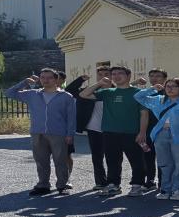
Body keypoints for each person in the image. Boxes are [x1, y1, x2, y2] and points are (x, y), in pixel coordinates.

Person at [5, 68, 77, 196]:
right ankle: (43, 185)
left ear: (56, 79)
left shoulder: (66, 96)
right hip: (37, 133)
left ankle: (62, 185)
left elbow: (71, 117)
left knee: (60, 161)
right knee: (41, 161)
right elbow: (9, 93)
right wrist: (25, 82)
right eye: (43, 77)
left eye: (49, 77)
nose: (45, 80)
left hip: (59, 133)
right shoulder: (32, 94)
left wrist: (70, 134)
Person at [79, 66, 148, 196]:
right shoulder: (107, 92)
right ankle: (113, 185)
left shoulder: (139, 93)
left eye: (120, 73)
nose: (116, 76)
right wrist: (99, 83)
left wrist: (142, 132)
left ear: (128, 76)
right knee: (112, 160)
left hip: (131, 132)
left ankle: (137, 185)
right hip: (109, 132)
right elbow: (83, 94)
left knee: (136, 160)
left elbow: (144, 114)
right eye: (113, 74)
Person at [135, 79, 179, 201]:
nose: (170, 88)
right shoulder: (159, 100)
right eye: (168, 86)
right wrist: (152, 89)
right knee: (164, 164)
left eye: (174, 86)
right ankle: (165, 189)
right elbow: (138, 97)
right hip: (161, 134)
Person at [66, 66, 111, 191]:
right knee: (97, 157)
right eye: (100, 74)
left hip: (112, 129)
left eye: (106, 74)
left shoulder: (116, 90)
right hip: (94, 128)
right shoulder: (89, 90)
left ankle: (112, 182)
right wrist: (80, 79)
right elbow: (69, 91)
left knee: (112, 157)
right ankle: (101, 182)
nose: (103, 77)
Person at [140, 68, 168, 190]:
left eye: (158, 76)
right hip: (149, 130)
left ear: (164, 79)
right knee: (148, 156)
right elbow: (144, 114)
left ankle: (163, 183)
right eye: (151, 76)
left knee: (164, 158)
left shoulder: (169, 92)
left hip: (165, 131)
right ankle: (150, 181)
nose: (154, 78)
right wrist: (142, 132)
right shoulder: (146, 93)